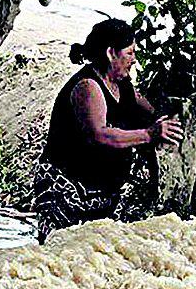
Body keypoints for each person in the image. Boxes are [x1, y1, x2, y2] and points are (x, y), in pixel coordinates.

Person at [33, 18, 182, 241]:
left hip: (102, 192)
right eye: (130, 53)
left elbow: (149, 112)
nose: (134, 60)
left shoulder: (122, 85)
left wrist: (168, 117)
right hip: (68, 189)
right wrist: (150, 134)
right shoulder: (88, 87)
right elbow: (99, 134)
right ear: (111, 53)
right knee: (61, 254)